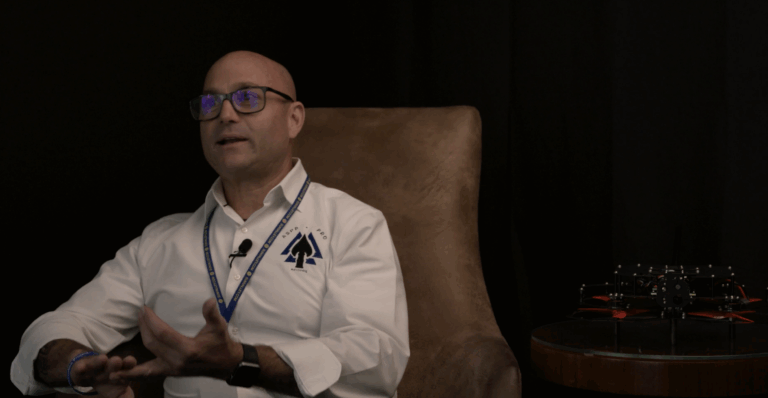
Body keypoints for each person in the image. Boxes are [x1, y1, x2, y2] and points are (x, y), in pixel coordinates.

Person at [11, 50, 410, 398]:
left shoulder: (353, 223)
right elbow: (55, 328)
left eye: (248, 98)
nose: (225, 114)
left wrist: (242, 361)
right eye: (209, 104)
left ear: (294, 118)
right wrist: (76, 364)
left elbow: (375, 361)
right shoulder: (162, 241)